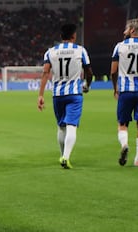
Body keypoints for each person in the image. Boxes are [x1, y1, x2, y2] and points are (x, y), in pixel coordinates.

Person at [37, 23, 93, 169]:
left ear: (61, 36)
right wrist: (87, 84)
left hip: (57, 94)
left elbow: (45, 73)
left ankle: (62, 155)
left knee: (61, 127)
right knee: (72, 125)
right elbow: (89, 71)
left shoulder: (51, 52)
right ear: (74, 36)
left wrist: (40, 95)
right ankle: (66, 157)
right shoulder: (80, 50)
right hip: (74, 93)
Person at [111, 18, 138, 167]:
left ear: (132, 30)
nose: (124, 31)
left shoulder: (120, 46)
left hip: (126, 91)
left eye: (127, 29)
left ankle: (124, 145)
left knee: (123, 123)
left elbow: (113, 71)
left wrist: (115, 87)